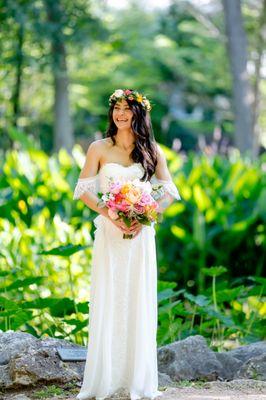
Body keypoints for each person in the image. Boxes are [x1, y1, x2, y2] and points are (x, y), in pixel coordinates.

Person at [73, 89, 181, 400]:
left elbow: (170, 190)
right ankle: (104, 380)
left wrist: (148, 213)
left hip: (140, 238)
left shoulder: (152, 150)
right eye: (117, 108)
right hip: (110, 235)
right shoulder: (98, 148)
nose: (121, 114)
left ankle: (136, 380)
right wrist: (110, 213)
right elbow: (82, 190)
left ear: (138, 114)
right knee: (110, 297)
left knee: (137, 299)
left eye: (127, 109)